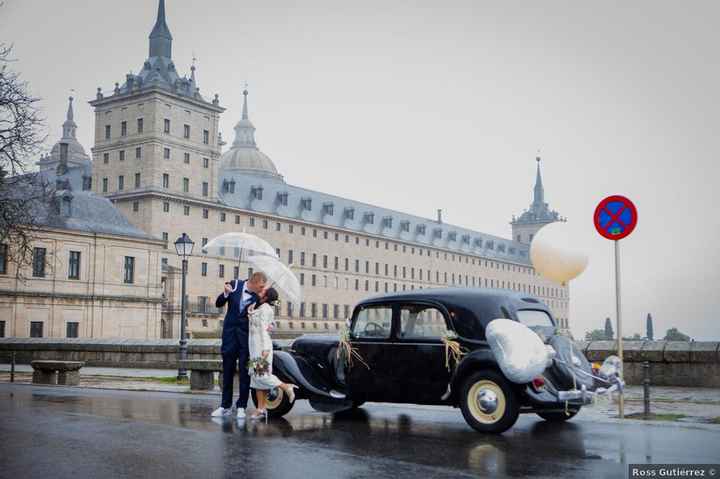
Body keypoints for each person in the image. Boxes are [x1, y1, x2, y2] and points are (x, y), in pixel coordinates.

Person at [211, 271, 267, 419]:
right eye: (261, 286)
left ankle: (241, 406)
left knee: (245, 373)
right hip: (229, 336)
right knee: (227, 371)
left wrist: (265, 299)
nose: (262, 289)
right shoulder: (234, 285)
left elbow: (275, 303)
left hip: (246, 340)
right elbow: (218, 303)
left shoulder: (259, 298)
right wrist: (225, 293)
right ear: (253, 282)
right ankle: (225, 406)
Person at [247, 287, 297, 421]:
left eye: (263, 292)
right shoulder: (260, 307)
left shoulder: (265, 309)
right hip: (254, 346)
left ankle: (285, 387)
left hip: (261, 347)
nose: (260, 291)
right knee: (256, 378)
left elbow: (264, 330)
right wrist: (251, 312)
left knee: (261, 376)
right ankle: (261, 409)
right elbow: (270, 325)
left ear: (265, 298)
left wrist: (264, 350)